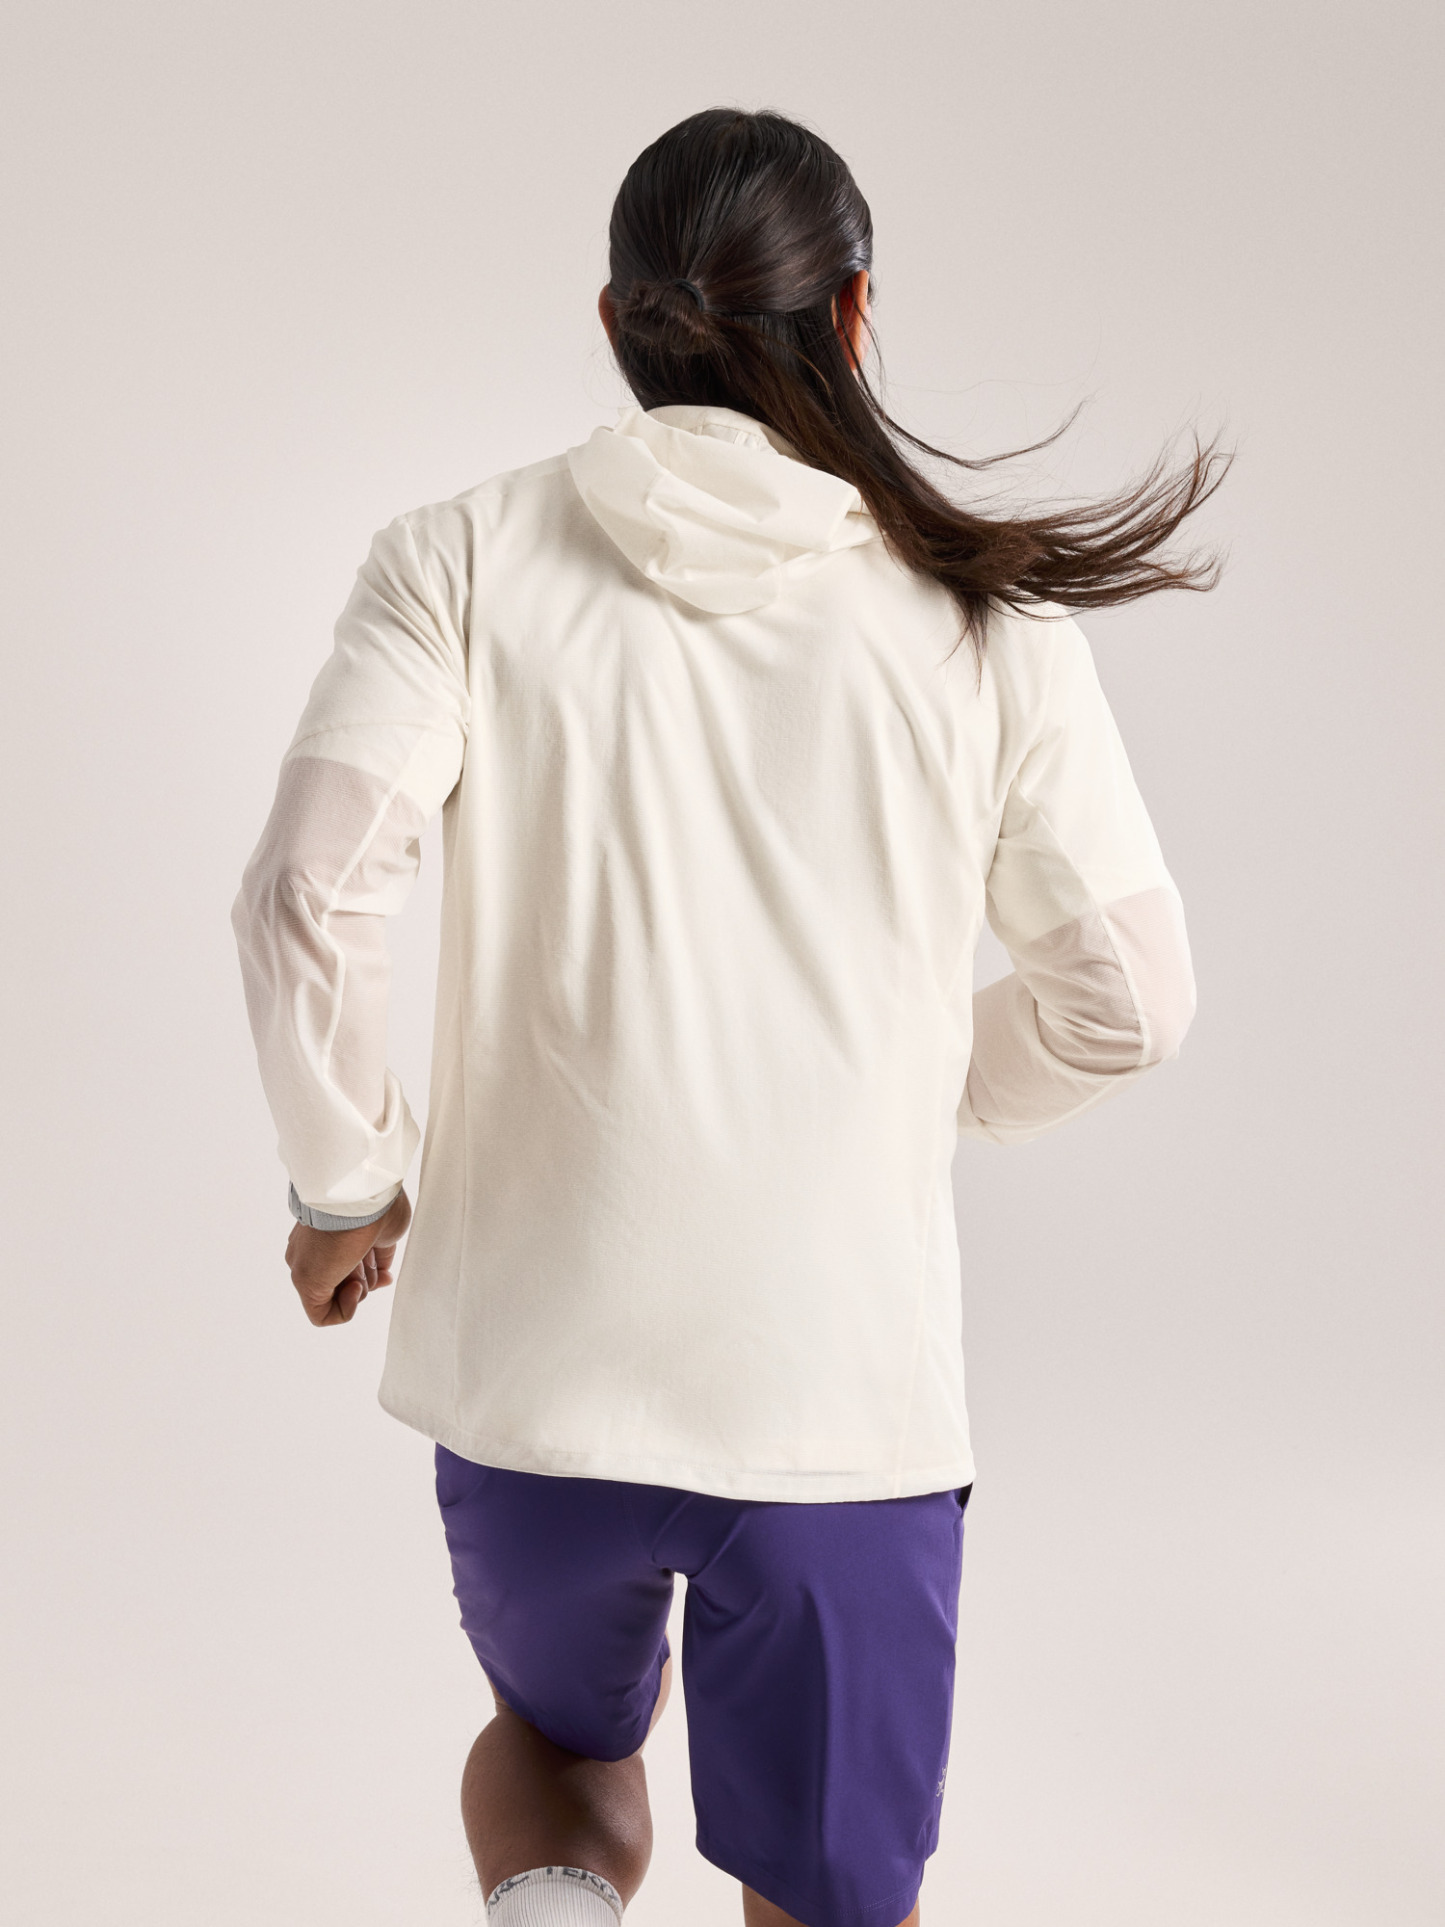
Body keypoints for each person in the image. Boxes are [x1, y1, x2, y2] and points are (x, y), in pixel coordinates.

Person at [233, 107, 1222, 1927]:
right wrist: (914, 1087)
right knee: (831, 1905)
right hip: (838, 1405)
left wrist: (342, 1187)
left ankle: (554, 1907)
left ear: (613, 319)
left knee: (557, 1749)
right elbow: (1130, 1003)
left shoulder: (457, 555)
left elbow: (306, 888)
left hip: (532, 1391)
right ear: (853, 313)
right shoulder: (988, 625)